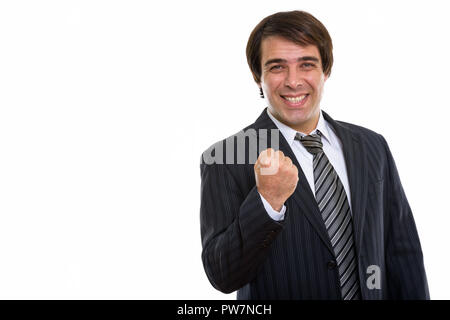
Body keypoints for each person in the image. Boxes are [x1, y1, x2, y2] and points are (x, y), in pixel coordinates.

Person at [199, 10, 429, 300]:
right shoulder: (225, 157)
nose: (293, 82)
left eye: (306, 64)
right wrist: (267, 202)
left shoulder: (372, 146)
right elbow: (222, 275)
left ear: (325, 70)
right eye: (277, 67)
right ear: (258, 77)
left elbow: (402, 252)